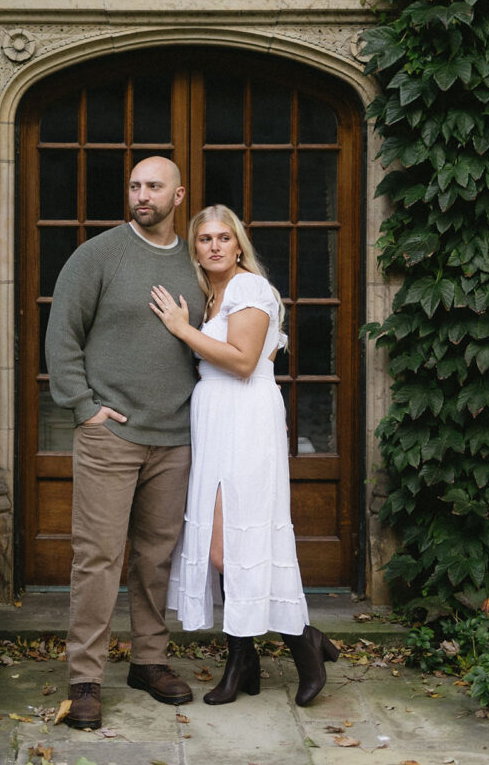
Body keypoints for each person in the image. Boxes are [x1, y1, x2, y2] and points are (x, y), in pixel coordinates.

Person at [149, 204, 339, 707]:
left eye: (223, 238)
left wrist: (181, 330)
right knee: (221, 548)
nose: (213, 246)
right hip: (214, 420)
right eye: (204, 239)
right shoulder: (211, 296)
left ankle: (306, 647)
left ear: (238, 245)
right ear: (195, 248)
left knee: (241, 541)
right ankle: (244, 658)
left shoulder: (250, 289)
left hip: (247, 419)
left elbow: (242, 361)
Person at [46, 156, 206, 730]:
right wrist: (84, 407)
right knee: (98, 557)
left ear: (178, 195)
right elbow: (62, 332)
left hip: (176, 436)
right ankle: (85, 677)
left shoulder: (195, 261)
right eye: (135, 185)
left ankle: (149, 661)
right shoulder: (98, 255)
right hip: (110, 434)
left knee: (156, 557)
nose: (142, 194)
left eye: (154, 186)